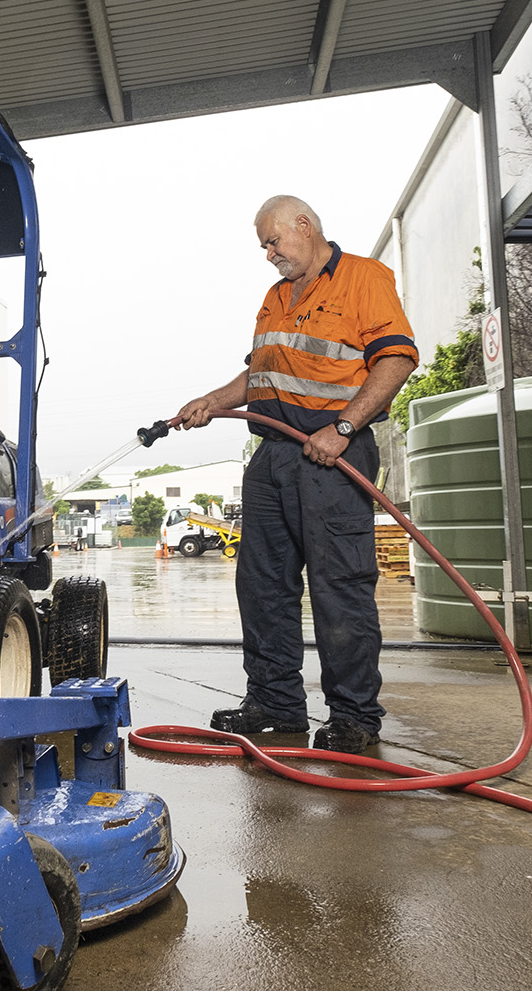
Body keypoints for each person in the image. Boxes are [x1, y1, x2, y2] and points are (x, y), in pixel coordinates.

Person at [175, 195, 419, 754]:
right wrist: (213, 400)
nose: (267, 254)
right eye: (263, 245)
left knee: (338, 588)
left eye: (272, 241)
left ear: (303, 226)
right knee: (261, 587)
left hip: (331, 454)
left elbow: (398, 358)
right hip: (274, 455)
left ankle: (355, 718)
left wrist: (344, 427)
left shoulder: (363, 277)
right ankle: (275, 704)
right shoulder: (275, 296)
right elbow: (258, 372)